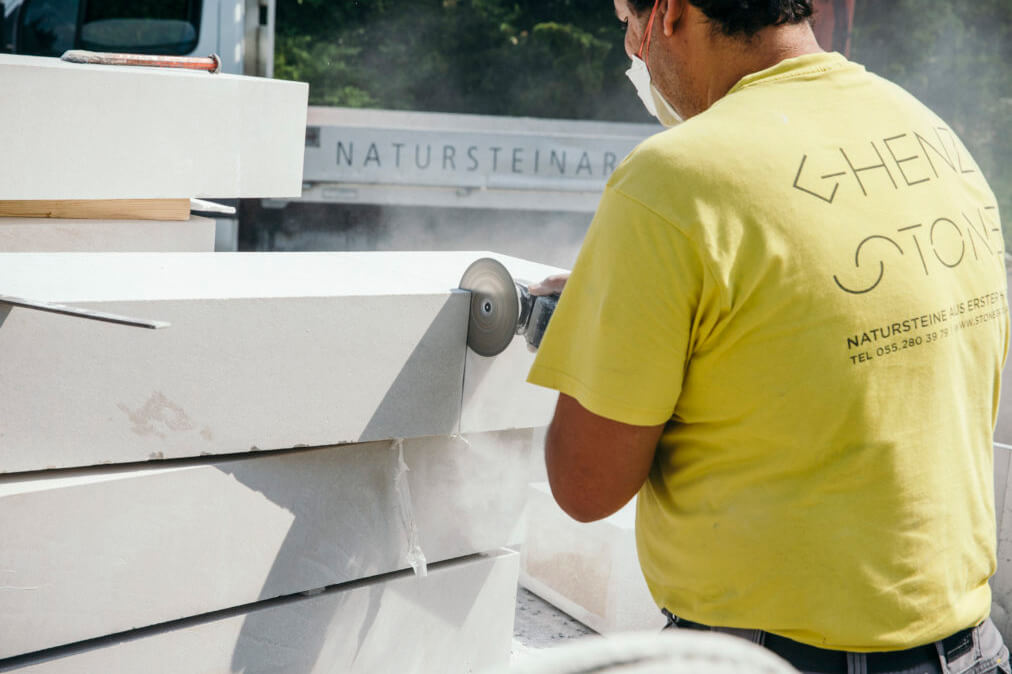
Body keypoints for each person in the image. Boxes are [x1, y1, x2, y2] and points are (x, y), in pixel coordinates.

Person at [526, 1, 1010, 672]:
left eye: (625, 21)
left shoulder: (672, 180)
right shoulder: (928, 132)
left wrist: (606, 341)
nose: (634, 51)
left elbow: (586, 487)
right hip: (970, 653)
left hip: (773, 658)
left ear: (667, 13)